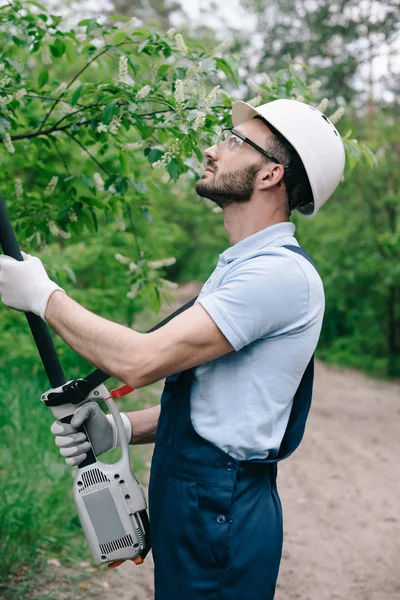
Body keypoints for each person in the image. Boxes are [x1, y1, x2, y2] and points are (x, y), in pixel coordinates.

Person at [0, 98, 345, 599]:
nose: (211, 149)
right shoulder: (241, 268)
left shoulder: (277, 274)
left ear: (271, 173)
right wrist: (118, 426)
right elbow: (220, 407)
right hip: (200, 501)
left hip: (219, 507)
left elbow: (140, 361)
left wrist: (41, 295)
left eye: (233, 142)